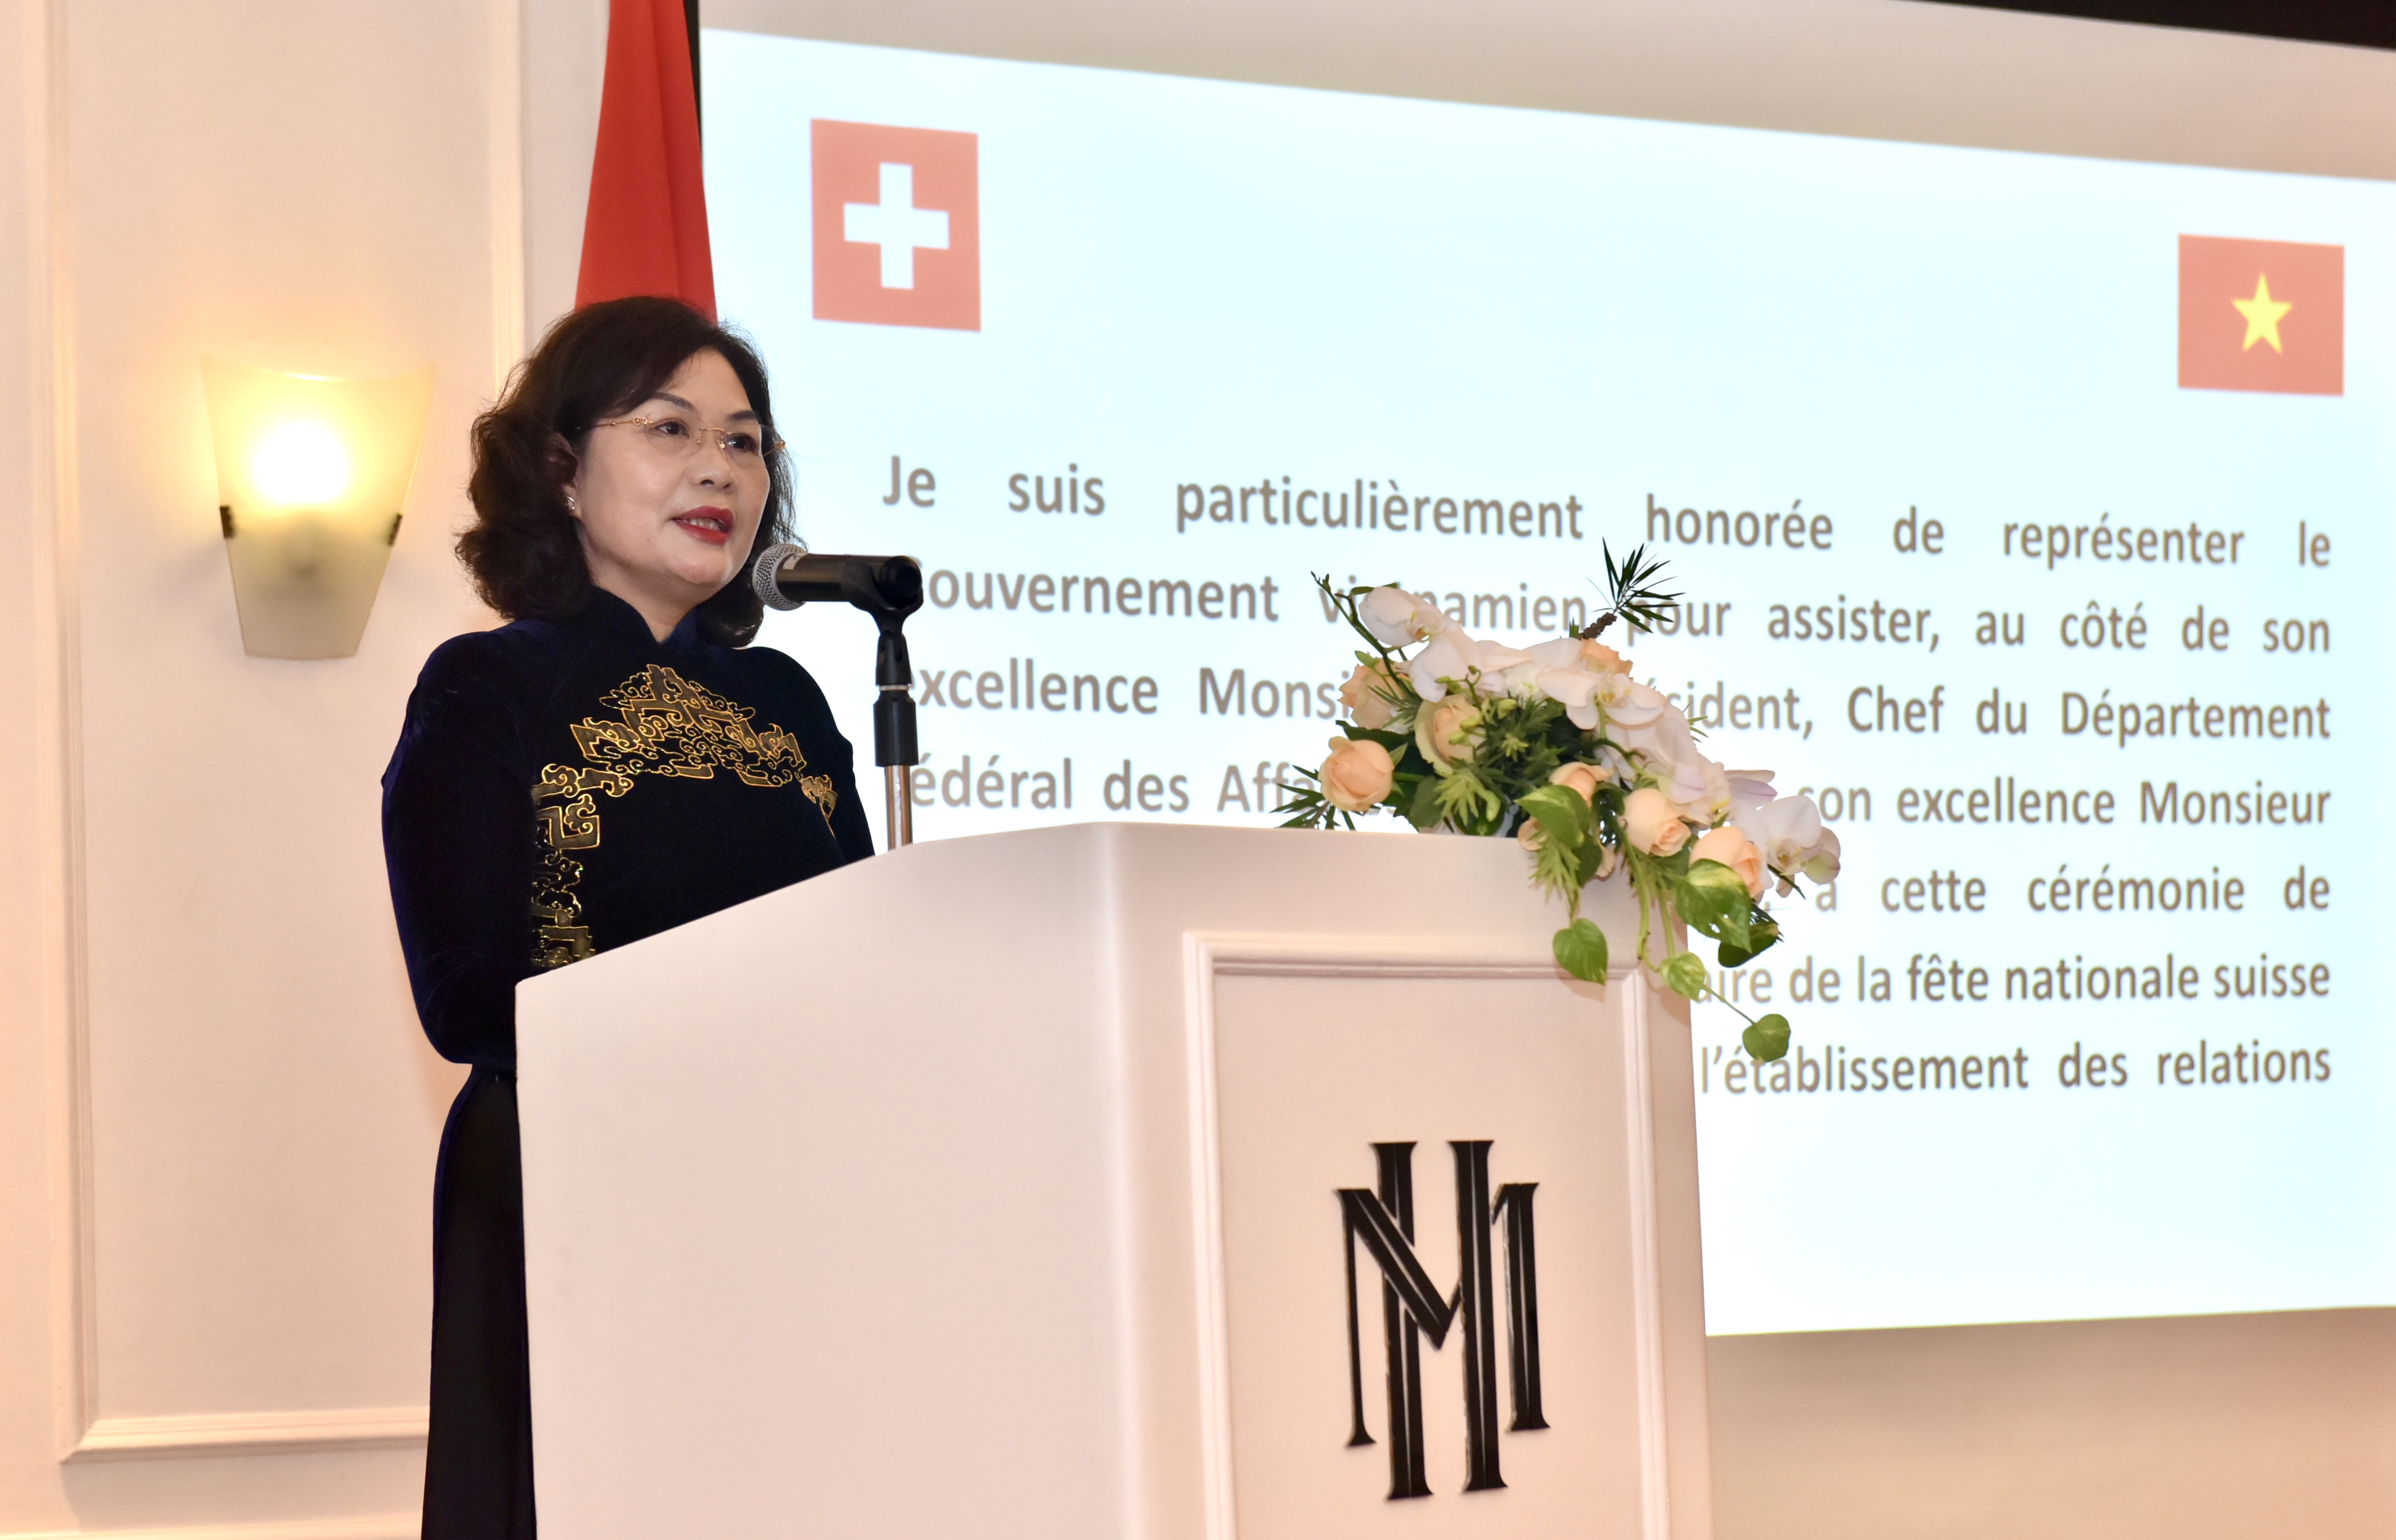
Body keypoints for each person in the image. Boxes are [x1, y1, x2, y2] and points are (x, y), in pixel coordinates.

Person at [382, 297, 875, 1538]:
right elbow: (465, 998)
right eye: (670, 429)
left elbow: (871, 958)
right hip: (575, 1187)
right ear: (561, 468)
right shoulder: (485, 685)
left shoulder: (786, 699)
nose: (721, 467)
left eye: (746, 441)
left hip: (789, 1189)